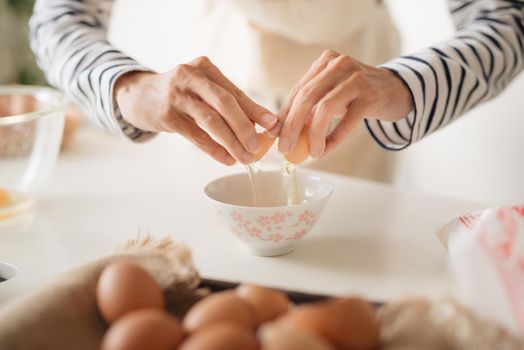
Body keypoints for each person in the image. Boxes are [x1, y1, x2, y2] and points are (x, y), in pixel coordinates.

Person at [29, 0, 524, 182]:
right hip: (207, 121)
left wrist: (404, 84)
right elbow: (57, 18)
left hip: (364, 141)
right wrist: (131, 89)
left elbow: (507, 22)